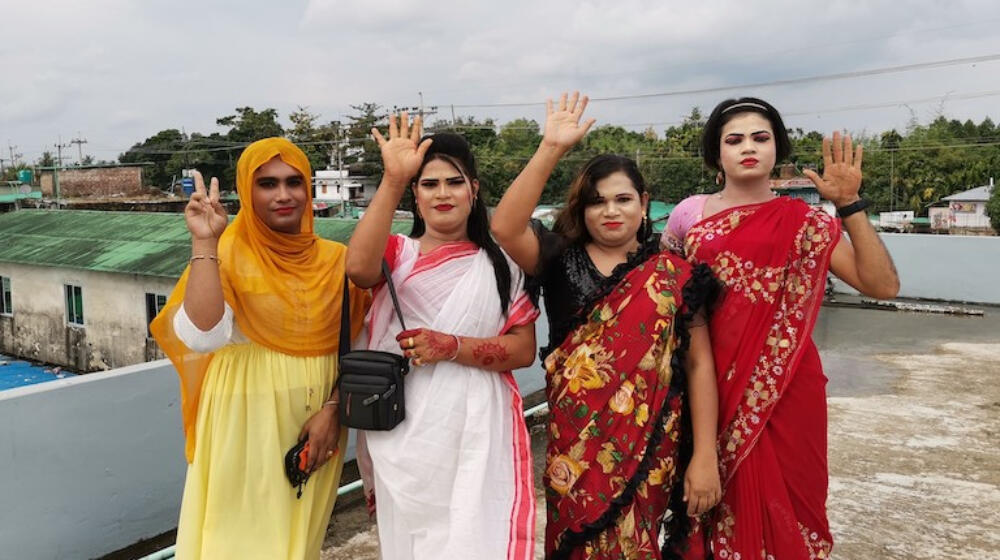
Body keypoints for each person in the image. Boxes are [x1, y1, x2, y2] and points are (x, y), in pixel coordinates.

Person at [662, 97, 900, 559]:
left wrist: (849, 205)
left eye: (760, 137)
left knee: (792, 515)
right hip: (705, 390)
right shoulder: (688, 217)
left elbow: (881, 284)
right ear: (716, 155)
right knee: (702, 512)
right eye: (734, 140)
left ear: (778, 149)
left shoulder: (807, 222)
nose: (747, 147)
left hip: (788, 394)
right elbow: (671, 309)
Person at [491, 92, 722, 560]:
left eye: (622, 199)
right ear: (583, 208)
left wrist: (704, 456)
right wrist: (551, 148)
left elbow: (698, 366)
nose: (610, 211)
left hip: (650, 448)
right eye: (597, 202)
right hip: (575, 451)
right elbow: (505, 226)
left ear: (645, 203)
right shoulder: (558, 257)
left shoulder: (675, 273)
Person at [150, 138, 369, 559]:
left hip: (318, 422)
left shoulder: (338, 260)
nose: (284, 195)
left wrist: (333, 411)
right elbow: (202, 336)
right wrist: (204, 244)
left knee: (297, 540)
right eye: (267, 184)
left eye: (294, 182)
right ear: (248, 193)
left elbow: (356, 345)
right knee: (239, 541)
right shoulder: (227, 253)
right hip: (245, 419)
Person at [346, 115, 540, 559]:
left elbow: (523, 350)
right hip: (404, 429)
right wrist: (393, 178)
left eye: (454, 182)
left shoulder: (501, 265)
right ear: (415, 195)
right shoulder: (398, 252)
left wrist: (451, 346)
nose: (443, 194)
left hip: (477, 429)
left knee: (476, 539)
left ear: (473, 189)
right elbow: (357, 269)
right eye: (429, 184)